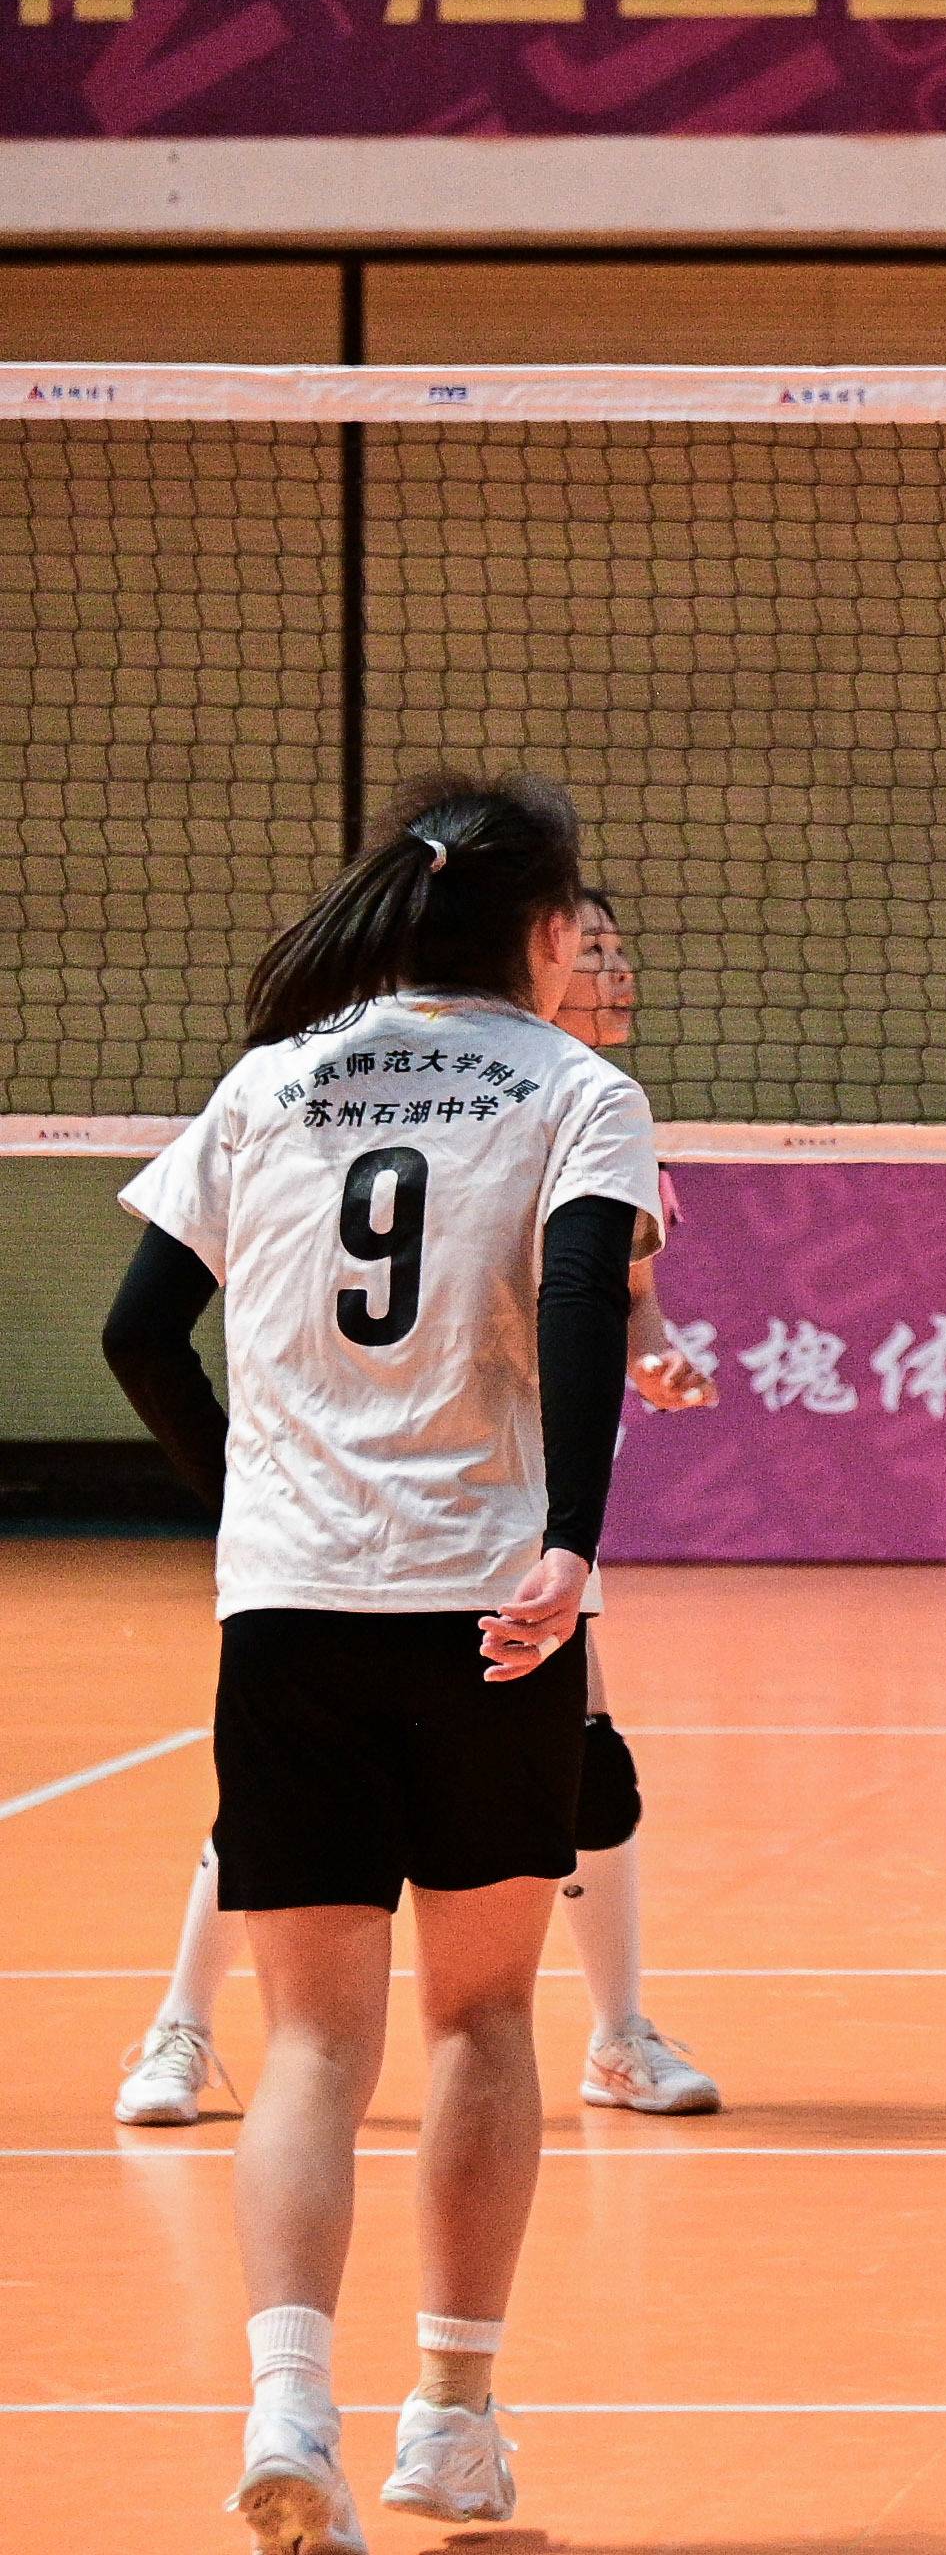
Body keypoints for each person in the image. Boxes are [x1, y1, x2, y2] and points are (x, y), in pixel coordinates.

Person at [100, 771, 662, 2547]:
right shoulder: (576, 1088)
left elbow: (137, 1334)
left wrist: (248, 1507)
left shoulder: (270, 1081)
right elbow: (584, 1299)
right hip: (481, 1605)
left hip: (290, 1607)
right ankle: (450, 2423)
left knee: (309, 2045)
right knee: (481, 2017)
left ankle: (289, 2407)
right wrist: (571, 1538)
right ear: (547, 931)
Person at [118, 887, 726, 2131]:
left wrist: (652, 1354)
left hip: (496, 1511)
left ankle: (619, 2032)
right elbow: (147, 1328)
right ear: (538, 943)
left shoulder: (591, 1108)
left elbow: (618, 1295)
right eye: (593, 944)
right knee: (297, 1825)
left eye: (620, 951)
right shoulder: (357, 1088)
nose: (611, 968)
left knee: (588, 1768)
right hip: (382, 1512)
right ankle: (182, 2023)